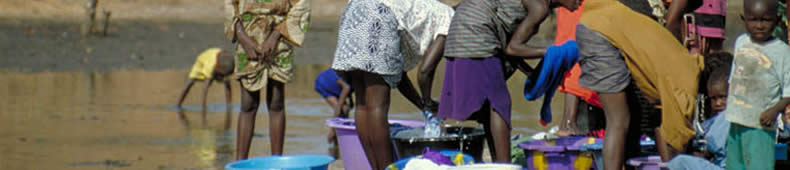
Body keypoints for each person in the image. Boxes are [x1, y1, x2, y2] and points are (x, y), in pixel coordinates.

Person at [439, 0, 580, 163]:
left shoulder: (540, 6)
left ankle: (498, 163)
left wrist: (530, 72)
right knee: (499, 103)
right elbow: (513, 48)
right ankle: (505, 165)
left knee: (489, 106)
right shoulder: (540, 6)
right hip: (476, 28)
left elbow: (509, 46)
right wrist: (553, 52)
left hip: (464, 24)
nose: (580, 2)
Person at [576, 0, 703, 169]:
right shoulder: (685, 75)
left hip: (606, 25)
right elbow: (672, 21)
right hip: (604, 29)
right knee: (619, 119)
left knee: (640, 113)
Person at [331, 0, 453, 168]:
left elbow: (398, 74)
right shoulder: (451, 20)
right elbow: (425, 72)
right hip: (379, 15)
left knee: (363, 105)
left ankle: (378, 167)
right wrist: (428, 101)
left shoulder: (431, 12)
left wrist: (422, 105)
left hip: (354, 12)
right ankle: (387, 167)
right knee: (376, 106)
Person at [224, 0, 311, 160]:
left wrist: (275, 36)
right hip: (248, 35)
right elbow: (230, 5)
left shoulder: (278, 36)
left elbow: (301, 5)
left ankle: (276, 161)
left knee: (276, 102)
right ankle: (240, 163)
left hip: (279, 39)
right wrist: (243, 38)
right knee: (248, 103)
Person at [725, 0, 790, 168]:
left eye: (766, 20)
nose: (759, 25)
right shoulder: (741, 42)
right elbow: (734, 77)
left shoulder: (782, 52)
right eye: (753, 20)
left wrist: (774, 110)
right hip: (736, 119)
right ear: (743, 19)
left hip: (760, 125)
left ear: (776, 20)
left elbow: (788, 91)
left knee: (758, 165)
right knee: (734, 165)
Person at [667, 63, 731, 170]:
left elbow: (712, 145)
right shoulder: (712, 121)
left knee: (679, 162)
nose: (718, 103)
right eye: (713, 99)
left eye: (723, 97)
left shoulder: (726, 118)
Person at [176, 48, 235, 126]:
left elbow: (228, 87)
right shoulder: (210, 65)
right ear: (218, 68)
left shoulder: (227, 62)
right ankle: (178, 104)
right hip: (202, 63)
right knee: (190, 82)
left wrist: (229, 107)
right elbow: (205, 88)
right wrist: (204, 107)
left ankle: (228, 105)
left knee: (226, 82)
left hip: (218, 62)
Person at [314, 68, 353, 145]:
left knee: (345, 109)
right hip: (324, 84)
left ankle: (340, 140)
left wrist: (350, 99)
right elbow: (338, 107)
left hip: (338, 86)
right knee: (342, 109)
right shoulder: (344, 81)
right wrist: (332, 130)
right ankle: (335, 136)